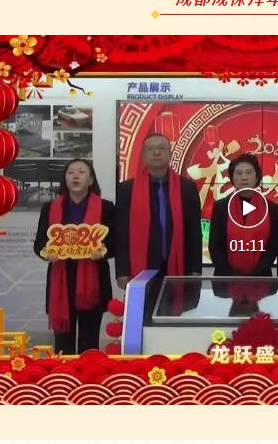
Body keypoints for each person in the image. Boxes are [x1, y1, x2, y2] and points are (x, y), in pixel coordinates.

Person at [34, 159, 114, 355]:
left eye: (81, 172)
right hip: (61, 280)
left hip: (93, 281)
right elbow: (39, 244)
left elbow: (116, 243)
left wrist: (103, 251)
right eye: (70, 172)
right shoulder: (50, 208)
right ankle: (64, 372)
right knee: (63, 343)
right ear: (65, 179)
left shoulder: (105, 207)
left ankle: (89, 373)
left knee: (89, 341)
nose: (75, 176)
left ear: (91, 180)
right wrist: (48, 253)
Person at [115, 133, 202, 288]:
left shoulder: (187, 188)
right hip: (141, 265)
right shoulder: (127, 189)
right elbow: (121, 233)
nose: (156, 152)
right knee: (143, 304)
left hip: (179, 264)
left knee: (177, 303)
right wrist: (122, 271)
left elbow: (194, 231)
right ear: (143, 155)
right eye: (151, 149)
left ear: (170, 153)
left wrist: (195, 269)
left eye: (162, 148)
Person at [209, 153, 278, 278]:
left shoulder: (271, 208)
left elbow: (273, 246)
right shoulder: (221, 207)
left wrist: (256, 274)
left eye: (248, 172)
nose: (244, 177)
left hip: (261, 279)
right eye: (239, 173)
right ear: (232, 178)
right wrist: (230, 275)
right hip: (226, 279)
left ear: (257, 177)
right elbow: (215, 246)